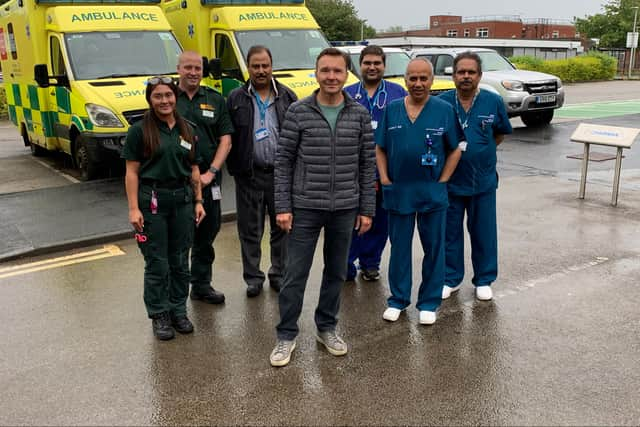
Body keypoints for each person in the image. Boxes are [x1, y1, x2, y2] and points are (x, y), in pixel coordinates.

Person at [269, 48, 376, 367]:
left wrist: (366, 208)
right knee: (294, 274)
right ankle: (286, 335)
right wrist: (283, 206)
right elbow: (283, 161)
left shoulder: (358, 113)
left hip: (345, 207)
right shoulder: (299, 112)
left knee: (336, 272)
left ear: (347, 75)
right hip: (304, 207)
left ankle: (326, 328)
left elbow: (367, 164)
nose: (331, 76)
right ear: (316, 73)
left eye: (338, 71)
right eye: (325, 70)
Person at [376, 58, 464, 325]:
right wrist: (385, 179)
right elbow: (380, 148)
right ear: (405, 81)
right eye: (412, 78)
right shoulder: (392, 110)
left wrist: (442, 181)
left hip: (431, 192)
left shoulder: (444, 110)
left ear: (432, 80)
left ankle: (429, 302)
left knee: (434, 248)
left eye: (423, 78)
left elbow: (455, 148)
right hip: (399, 191)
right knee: (400, 248)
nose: (418, 83)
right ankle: (398, 300)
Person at [123, 76, 206, 340]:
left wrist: (199, 200)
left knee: (181, 260)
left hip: (182, 200)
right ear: (150, 99)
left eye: (168, 95)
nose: (164, 101)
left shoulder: (187, 129)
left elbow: (194, 168)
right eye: (158, 96)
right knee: (157, 262)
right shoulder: (139, 131)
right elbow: (131, 172)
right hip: (152, 201)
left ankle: (178, 310)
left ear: (175, 97)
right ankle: (159, 314)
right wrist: (134, 209)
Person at [439, 51, 513, 301]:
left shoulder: (492, 101)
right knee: (449, 233)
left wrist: (481, 151)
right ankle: (450, 278)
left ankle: (484, 279)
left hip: (482, 181)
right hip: (450, 181)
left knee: (483, 232)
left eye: (471, 72)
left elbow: (499, 134)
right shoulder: (442, 103)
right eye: (461, 72)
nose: (466, 76)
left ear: (480, 76)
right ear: (454, 76)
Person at [226, 45, 298, 298]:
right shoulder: (236, 98)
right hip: (249, 174)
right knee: (250, 229)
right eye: (255, 66)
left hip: (281, 175)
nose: (260, 71)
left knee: (282, 228)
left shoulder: (288, 96)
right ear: (248, 68)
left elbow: (298, 136)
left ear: (272, 66)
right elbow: (227, 136)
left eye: (265, 65)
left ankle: (278, 273)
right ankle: (253, 278)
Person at [344, 45, 407, 282]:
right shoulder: (347, 93)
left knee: (380, 221)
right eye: (367, 63)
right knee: (350, 220)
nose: (372, 67)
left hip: (385, 171)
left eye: (377, 63)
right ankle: (346, 264)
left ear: (384, 66)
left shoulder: (397, 93)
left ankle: (370, 263)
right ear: (359, 65)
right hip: (352, 170)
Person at [176, 51, 234, 305]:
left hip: (209, 181)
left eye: (197, 68)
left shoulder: (214, 99)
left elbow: (226, 140)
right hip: (177, 181)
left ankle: (200, 285)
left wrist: (211, 172)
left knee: (207, 234)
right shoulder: (167, 98)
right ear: (178, 69)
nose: (193, 72)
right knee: (178, 238)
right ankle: (174, 293)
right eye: (188, 67)